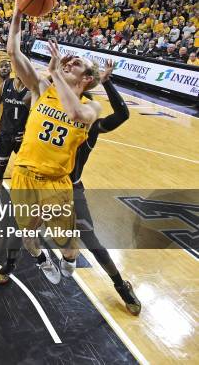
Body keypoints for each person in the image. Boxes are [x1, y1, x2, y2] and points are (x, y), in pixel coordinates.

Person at [0, 5, 101, 285]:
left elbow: (76, 116)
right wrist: (18, 14)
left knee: (67, 241)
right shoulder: (42, 88)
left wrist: (56, 73)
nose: (68, 63)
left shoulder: (91, 105)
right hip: (23, 174)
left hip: (55, 181)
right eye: (67, 61)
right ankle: (42, 260)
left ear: (87, 79)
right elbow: (13, 53)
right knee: (27, 233)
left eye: (75, 64)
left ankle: (68, 261)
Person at [64, 60, 141, 315]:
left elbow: (123, 115)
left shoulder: (91, 122)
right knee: (21, 228)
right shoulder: (49, 106)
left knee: (91, 240)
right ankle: (10, 264)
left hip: (71, 187)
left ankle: (121, 285)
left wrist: (107, 82)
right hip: (41, 183)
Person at [0, 71, 30, 218]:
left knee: (29, 172)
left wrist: (28, 134)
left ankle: (27, 203)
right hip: (5, 135)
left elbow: (37, 114)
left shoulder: (32, 89)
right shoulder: (4, 86)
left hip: (22, 138)